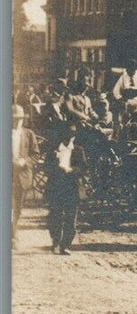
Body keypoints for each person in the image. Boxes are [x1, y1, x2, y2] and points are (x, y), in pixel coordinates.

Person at [45, 116, 87, 254]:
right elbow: (46, 168)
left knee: (70, 217)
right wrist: (57, 168)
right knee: (55, 215)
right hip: (56, 186)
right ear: (61, 135)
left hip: (72, 187)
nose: (69, 138)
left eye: (72, 135)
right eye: (67, 135)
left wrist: (71, 170)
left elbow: (83, 168)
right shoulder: (53, 150)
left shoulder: (78, 150)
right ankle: (56, 242)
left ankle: (66, 244)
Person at [12, 105, 41, 236]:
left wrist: (25, 161)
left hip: (22, 177)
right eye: (14, 118)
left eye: (20, 119)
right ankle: (11, 236)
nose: (17, 121)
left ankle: (13, 231)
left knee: (17, 208)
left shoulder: (29, 134)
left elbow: (35, 154)